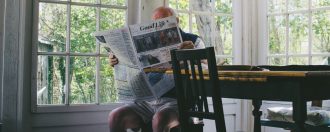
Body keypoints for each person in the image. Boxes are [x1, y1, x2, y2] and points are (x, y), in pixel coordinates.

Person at [108, 6, 205, 132]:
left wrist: (192, 55)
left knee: (160, 119)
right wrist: (116, 59)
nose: (158, 27)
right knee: (115, 116)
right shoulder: (144, 43)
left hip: (176, 101)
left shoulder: (193, 40)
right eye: (155, 24)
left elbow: (208, 64)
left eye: (163, 22)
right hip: (145, 101)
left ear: (176, 21)